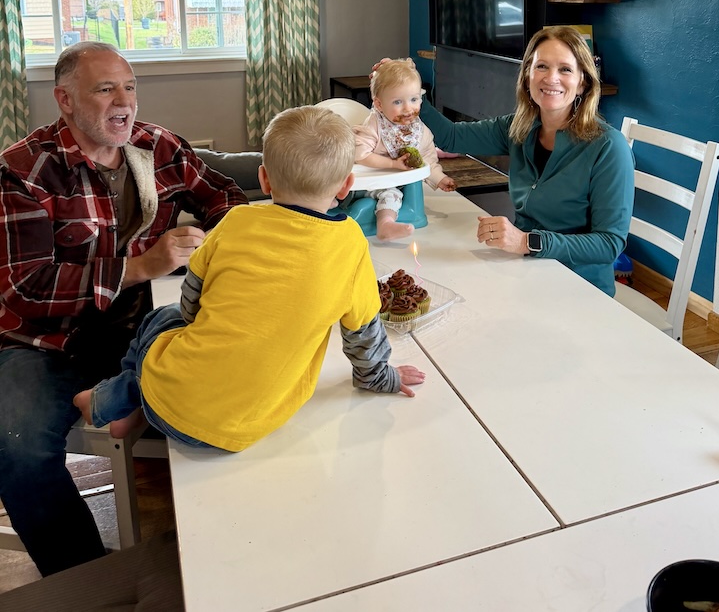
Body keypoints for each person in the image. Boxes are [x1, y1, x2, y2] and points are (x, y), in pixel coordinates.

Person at [0, 42, 248, 577]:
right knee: (16, 451)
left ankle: (231, 560)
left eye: (130, 87)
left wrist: (207, 241)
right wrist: (139, 267)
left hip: (141, 325)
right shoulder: (25, 171)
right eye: (104, 88)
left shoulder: (156, 146)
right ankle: (88, 581)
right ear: (64, 99)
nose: (124, 102)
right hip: (47, 344)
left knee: (232, 394)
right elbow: (25, 289)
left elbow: (226, 196)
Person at [73, 105, 425, 452]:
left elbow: (191, 305)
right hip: (246, 427)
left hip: (171, 398)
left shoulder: (236, 220)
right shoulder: (351, 245)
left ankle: (115, 400)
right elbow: (364, 333)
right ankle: (132, 400)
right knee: (173, 325)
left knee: (164, 317)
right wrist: (381, 378)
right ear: (347, 185)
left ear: (264, 179)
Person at [390, 26, 634, 296]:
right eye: (541, 66)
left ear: (583, 83)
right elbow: (451, 137)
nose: (551, 78)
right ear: (528, 75)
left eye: (565, 69)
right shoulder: (519, 127)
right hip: (524, 271)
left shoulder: (609, 147)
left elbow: (609, 243)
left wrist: (528, 242)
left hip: (580, 288)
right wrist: (405, 94)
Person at [353, 58, 456, 241]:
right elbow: (359, 154)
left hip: (400, 181)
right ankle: (385, 225)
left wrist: (440, 178)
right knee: (390, 194)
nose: (408, 108)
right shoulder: (375, 125)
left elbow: (427, 158)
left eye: (414, 99)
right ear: (379, 104)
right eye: (398, 102)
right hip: (371, 181)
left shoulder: (419, 130)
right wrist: (391, 163)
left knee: (400, 190)